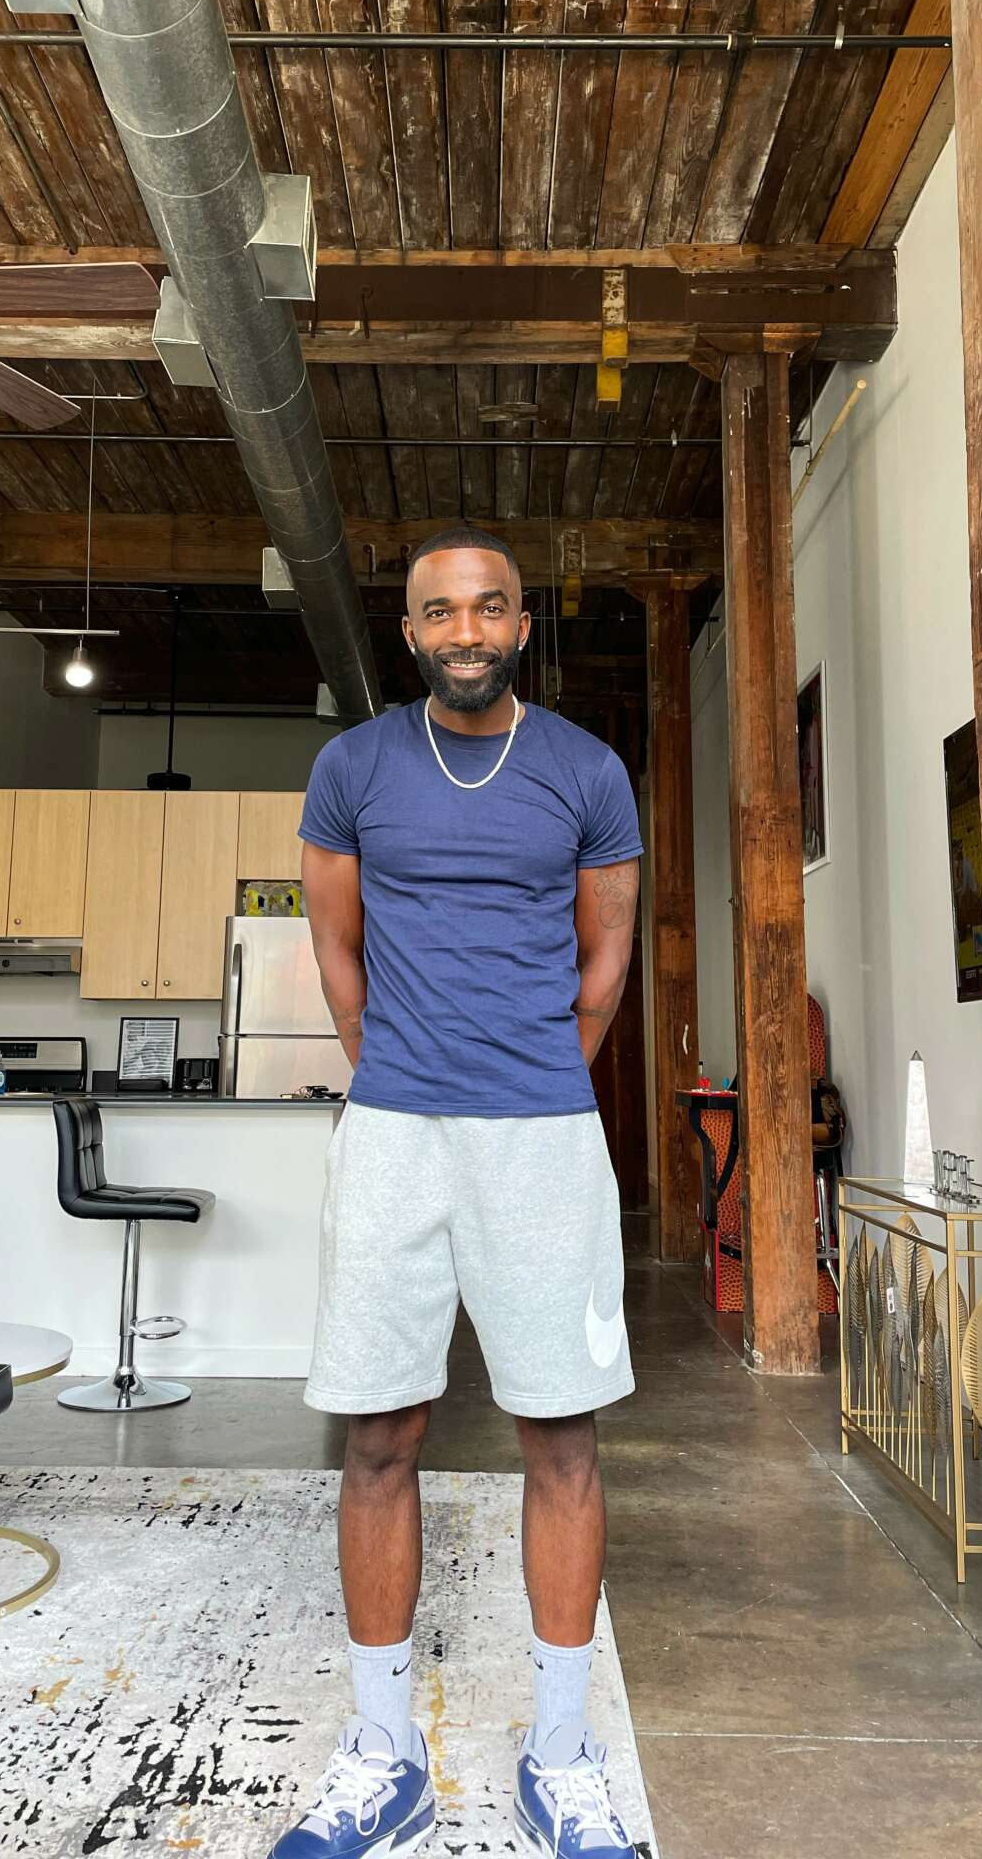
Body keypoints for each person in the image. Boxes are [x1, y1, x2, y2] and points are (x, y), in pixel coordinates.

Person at [267, 527, 643, 1859]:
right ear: (411, 632)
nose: (466, 630)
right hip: (394, 1132)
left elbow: (604, 963)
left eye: (490, 608)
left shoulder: (585, 771)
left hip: (540, 1135)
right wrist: (395, 1071)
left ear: (522, 626)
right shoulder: (354, 767)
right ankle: (385, 1755)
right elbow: (337, 946)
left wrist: (531, 1078)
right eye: (441, 611)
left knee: (562, 1437)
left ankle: (562, 1753)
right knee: (377, 1434)